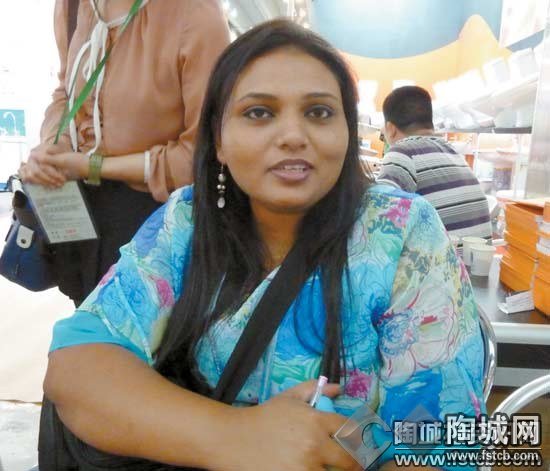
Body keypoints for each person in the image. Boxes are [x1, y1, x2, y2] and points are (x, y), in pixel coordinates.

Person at [43, 20, 485, 470]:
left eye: (319, 112)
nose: (293, 135)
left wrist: (345, 445)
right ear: (218, 140)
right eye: (259, 112)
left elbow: (443, 440)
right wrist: (236, 436)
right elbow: (77, 364)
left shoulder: (400, 232)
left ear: (347, 133)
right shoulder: (187, 221)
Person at [18, 0, 230, 305]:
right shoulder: (73, 6)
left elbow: (201, 156)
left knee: (141, 331)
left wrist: (92, 166)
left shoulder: (196, 14)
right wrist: (53, 146)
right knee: (84, 324)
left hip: (157, 224)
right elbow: (65, 92)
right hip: (81, 215)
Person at [377, 86, 493, 241]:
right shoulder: (452, 151)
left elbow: (379, 220)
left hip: (449, 256)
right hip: (474, 255)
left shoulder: (402, 153)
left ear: (390, 128)